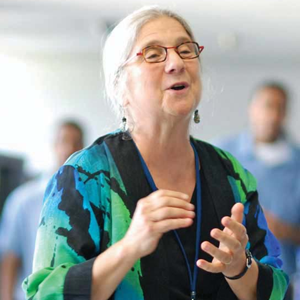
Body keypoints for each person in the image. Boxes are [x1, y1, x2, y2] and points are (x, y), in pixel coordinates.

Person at [23, 6, 288, 300]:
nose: (176, 62)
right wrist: (130, 247)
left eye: (186, 50)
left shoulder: (232, 175)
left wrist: (240, 267)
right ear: (121, 87)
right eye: (152, 54)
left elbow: (277, 287)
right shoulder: (86, 175)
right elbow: (43, 294)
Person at [213, 82, 300, 299]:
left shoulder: (296, 162)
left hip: (281, 281)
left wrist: (280, 228)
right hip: (226, 275)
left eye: (280, 108)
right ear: (252, 109)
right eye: (267, 106)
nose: (272, 115)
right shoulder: (222, 155)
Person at [0, 120, 84, 300]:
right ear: (54, 145)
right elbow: (10, 258)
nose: (69, 148)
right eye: (63, 141)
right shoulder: (23, 200)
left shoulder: (91, 200)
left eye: (76, 142)